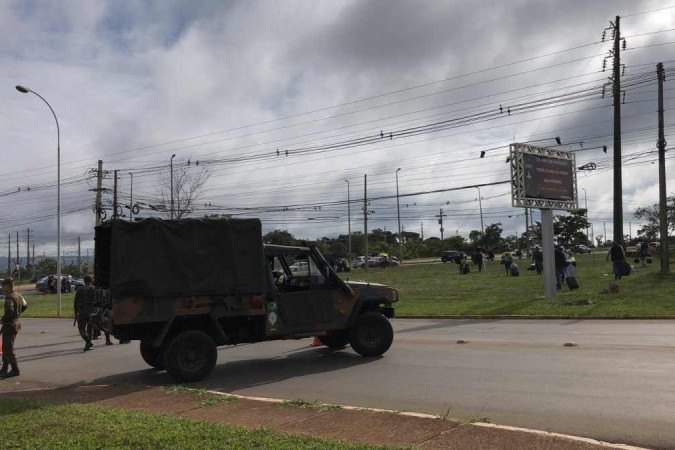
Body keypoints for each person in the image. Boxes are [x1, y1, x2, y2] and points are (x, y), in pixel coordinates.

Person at [1, 278, 22, 378]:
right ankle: (4, 368)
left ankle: (15, 369)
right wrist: (16, 315)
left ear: (8, 285)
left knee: (8, 348)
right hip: (15, 323)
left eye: (4, 285)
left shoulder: (9, 296)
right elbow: (25, 306)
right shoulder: (18, 295)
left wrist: (3, 319)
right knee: (5, 347)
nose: (3, 287)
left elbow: (9, 310)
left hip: (9, 325)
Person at [74, 275, 96, 351]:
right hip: (92, 312)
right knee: (90, 328)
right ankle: (89, 343)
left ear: (84, 281)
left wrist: (76, 313)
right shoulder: (94, 289)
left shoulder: (80, 289)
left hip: (82, 312)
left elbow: (75, 302)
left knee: (81, 329)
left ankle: (88, 342)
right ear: (91, 281)